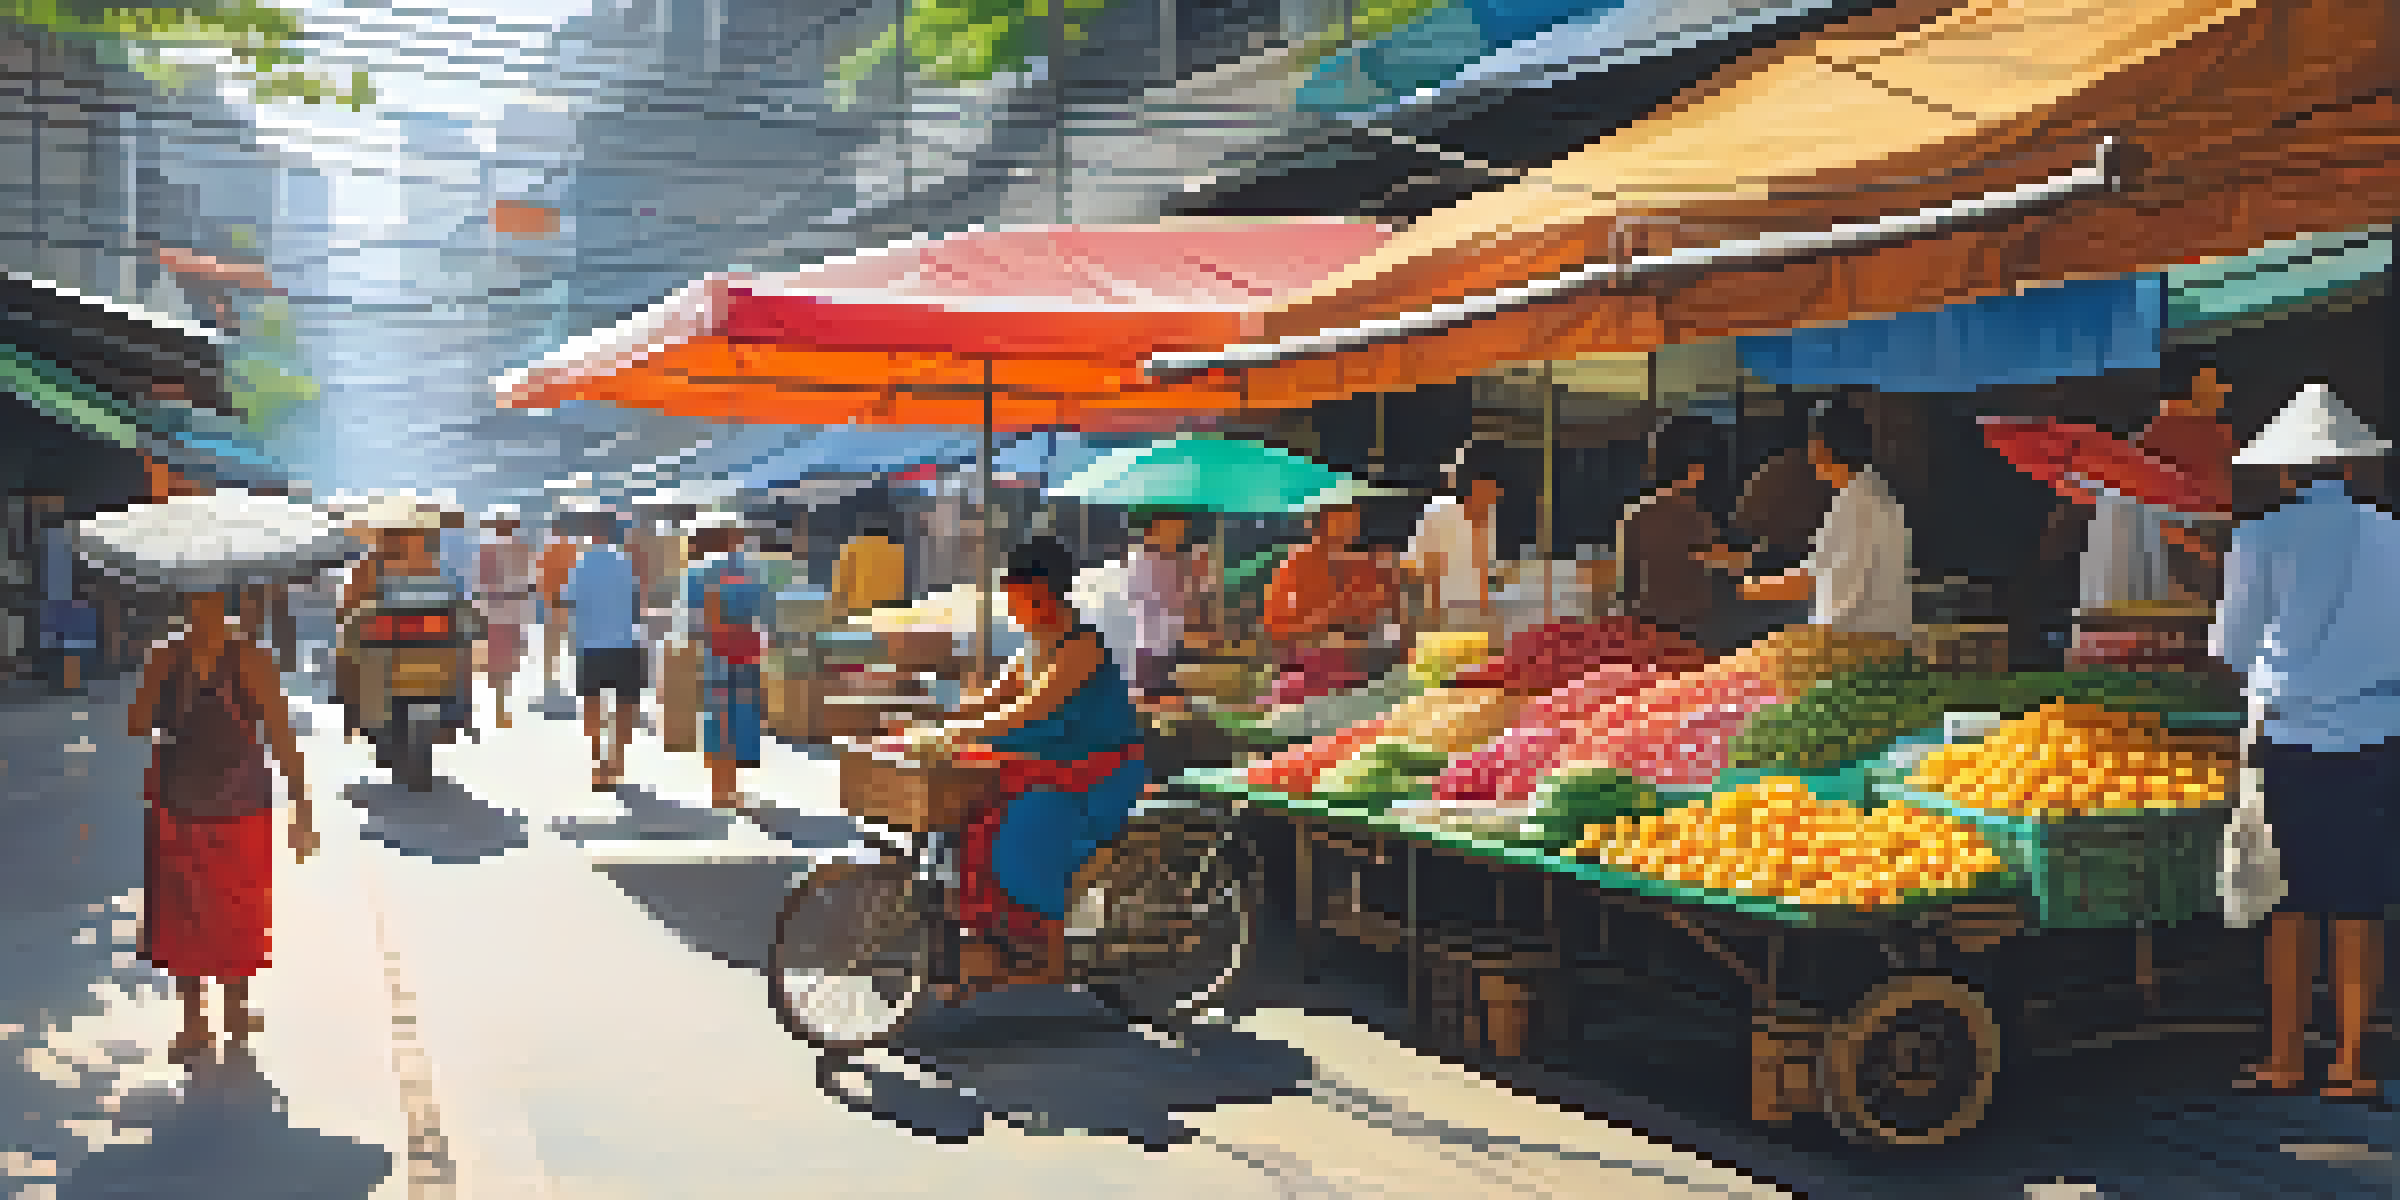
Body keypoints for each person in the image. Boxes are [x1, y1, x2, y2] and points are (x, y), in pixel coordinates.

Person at [2213, 382, 2400, 1103]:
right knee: (2357, 903)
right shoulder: (2392, 536)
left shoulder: (2259, 537)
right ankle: (2352, 1064)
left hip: (2287, 738)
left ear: (2287, 473)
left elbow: (2230, 647)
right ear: (2349, 468)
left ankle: (2286, 1059)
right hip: (2376, 736)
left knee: (2285, 904)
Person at [900, 537, 1148, 1004]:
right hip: (1050, 768)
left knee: (1025, 825)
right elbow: (990, 699)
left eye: (1020, 597)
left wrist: (961, 732)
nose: (1014, 608)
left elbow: (1031, 710)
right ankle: (999, 944)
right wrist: (934, 718)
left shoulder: (1081, 646)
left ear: (1045, 595)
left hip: (1096, 778)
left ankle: (1050, 957)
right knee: (973, 820)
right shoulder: (1032, 649)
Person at [127, 588, 317, 1064]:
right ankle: (231, 1010)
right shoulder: (246, 654)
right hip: (235, 801)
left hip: (183, 798)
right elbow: (278, 731)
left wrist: (162, 676)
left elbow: (137, 723)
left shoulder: (170, 652)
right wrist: (300, 803)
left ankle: (198, 1021)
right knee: (236, 906)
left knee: (186, 910)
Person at [1718, 401, 1914, 638]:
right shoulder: (1864, 492)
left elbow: (1813, 580)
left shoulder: (1858, 504)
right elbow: (1816, 570)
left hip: (1859, 639)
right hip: (1865, 633)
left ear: (1820, 447)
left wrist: (1742, 589)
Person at [1267, 501, 1399, 703]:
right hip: (1310, 668)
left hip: (1363, 665)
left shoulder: (1365, 565)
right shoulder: (1295, 566)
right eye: (1341, 515)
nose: (1351, 524)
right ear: (1319, 522)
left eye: (1353, 515)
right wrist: (1331, 614)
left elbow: (1380, 612)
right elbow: (1278, 628)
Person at [1614, 416, 1728, 647]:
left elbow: (1628, 584)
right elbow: (1705, 586)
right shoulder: (1697, 518)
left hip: (1642, 627)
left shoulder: (1635, 514)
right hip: (1690, 632)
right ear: (1696, 470)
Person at [682, 511, 770, 810]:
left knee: (717, 716)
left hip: (715, 652)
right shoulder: (751, 570)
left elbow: (692, 621)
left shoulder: (698, 572)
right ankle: (734, 789)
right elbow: (766, 613)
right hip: (747, 649)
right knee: (742, 715)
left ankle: (720, 788)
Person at [563, 512, 645, 790]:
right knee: (624, 706)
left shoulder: (580, 564)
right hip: (624, 643)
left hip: (589, 645)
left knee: (592, 706)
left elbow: (567, 599)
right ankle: (617, 762)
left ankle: (599, 763)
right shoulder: (626, 563)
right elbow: (638, 599)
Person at [1409, 446, 1505, 633]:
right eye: (1488, 491)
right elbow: (1423, 571)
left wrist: (1486, 614)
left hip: (1473, 620)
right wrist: (1433, 620)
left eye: (1495, 494)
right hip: (1436, 619)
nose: (1492, 499)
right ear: (1473, 487)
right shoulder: (1440, 513)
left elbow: (1483, 572)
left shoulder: (1488, 517)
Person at [1125, 510, 1210, 699]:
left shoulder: (1180, 562)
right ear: (1151, 531)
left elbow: (1195, 605)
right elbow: (1168, 605)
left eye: (1180, 531)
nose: (1177, 536)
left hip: (1178, 647)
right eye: (1171, 529)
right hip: (1151, 650)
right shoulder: (1140, 563)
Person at [31, 491, 100, 694]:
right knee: (69, 642)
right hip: (62, 597)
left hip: (63, 597)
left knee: (69, 642)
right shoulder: (56, 537)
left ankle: (68, 682)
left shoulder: (56, 537)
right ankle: (69, 682)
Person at [474, 506, 536, 728]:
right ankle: (502, 705)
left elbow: (480, 584)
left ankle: (501, 705)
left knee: (498, 660)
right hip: (511, 612)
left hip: (496, 612)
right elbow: (530, 584)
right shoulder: (522, 550)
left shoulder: (487, 551)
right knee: (507, 660)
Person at [537, 520, 586, 700]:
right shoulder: (575, 551)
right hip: (570, 608)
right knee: (575, 648)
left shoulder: (548, 552)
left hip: (553, 606)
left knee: (552, 650)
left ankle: (551, 686)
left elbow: (541, 581)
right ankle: (569, 684)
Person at [832, 514, 908, 617]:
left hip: (858, 609)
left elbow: (841, 582)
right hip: (887, 610)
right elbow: (899, 585)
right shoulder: (896, 551)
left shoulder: (852, 549)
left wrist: (839, 607)